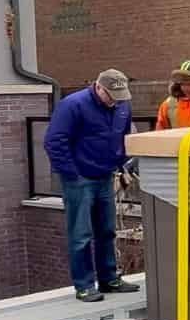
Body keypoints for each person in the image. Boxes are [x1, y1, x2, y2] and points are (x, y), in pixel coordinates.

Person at [43, 68, 140, 303]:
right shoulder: (72, 105)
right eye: (111, 96)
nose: (115, 101)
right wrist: (71, 174)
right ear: (99, 87)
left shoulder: (122, 106)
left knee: (106, 231)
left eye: (119, 96)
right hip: (79, 179)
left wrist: (122, 165)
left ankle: (109, 279)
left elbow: (122, 136)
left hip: (105, 175)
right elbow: (54, 141)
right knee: (81, 234)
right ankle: (85, 285)